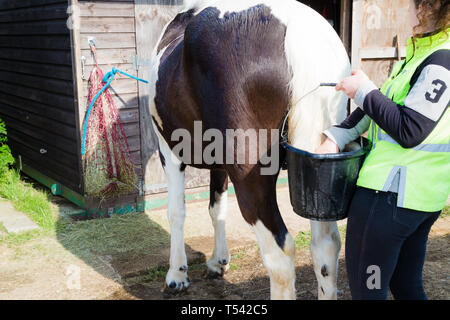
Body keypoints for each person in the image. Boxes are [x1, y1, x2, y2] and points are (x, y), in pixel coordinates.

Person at [316, 0, 449, 300]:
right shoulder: (424, 53)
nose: (409, 10)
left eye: (414, 4)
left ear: (430, 7)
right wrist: (336, 135)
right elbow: (382, 107)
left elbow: (410, 129)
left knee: (368, 293)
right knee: (406, 287)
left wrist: (363, 90)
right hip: (418, 200)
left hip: (387, 199)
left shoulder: (442, 60)